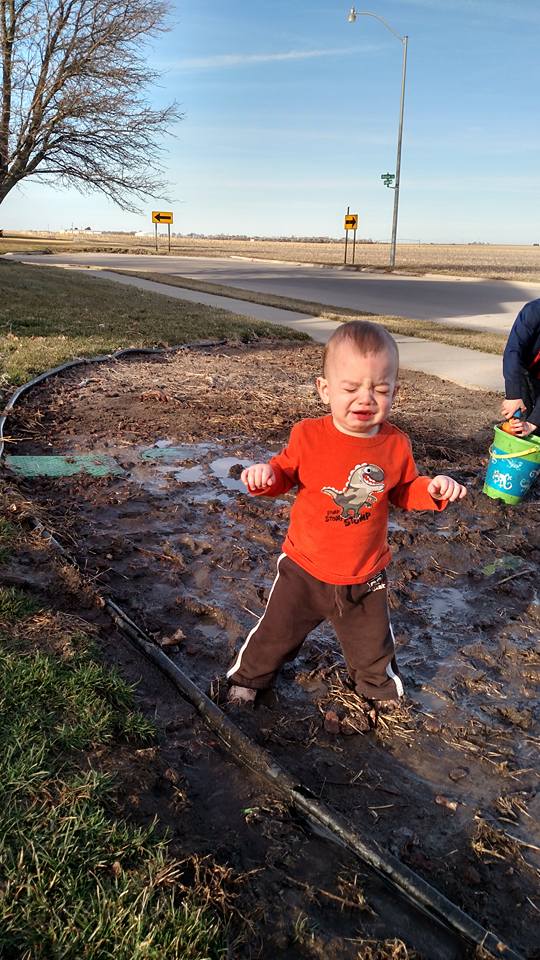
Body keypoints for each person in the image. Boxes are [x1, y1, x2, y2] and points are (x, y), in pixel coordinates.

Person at [226, 321, 466, 720]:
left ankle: (377, 689)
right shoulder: (307, 435)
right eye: (351, 388)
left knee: (373, 645)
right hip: (305, 568)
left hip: (364, 575)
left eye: (381, 389)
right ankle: (247, 680)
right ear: (325, 389)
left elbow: (405, 489)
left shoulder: (395, 444)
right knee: (275, 633)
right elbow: (284, 473)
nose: (366, 399)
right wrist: (265, 477)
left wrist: (433, 490)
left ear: (395, 392)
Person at [501, 298, 540, 436]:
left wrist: (533, 423)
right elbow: (513, 351)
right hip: (524, 370)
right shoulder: (534, 311)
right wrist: (513, 395)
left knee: (534, 426)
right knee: (518, 425)